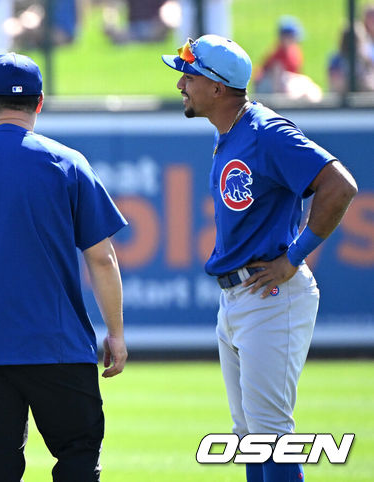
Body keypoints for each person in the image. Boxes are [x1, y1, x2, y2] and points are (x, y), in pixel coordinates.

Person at [161, 35, 358, 482]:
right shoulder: (233, 133)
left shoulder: (266, 132)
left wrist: (295, 256)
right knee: (250, 437)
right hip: (238, 297)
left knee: (271, 437)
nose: (180, 85)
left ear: (217, 87)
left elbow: (340, 186)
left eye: (188, 76)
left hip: (271, 295)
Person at [0, 52, 128, 481]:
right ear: (39, 102)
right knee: (78, 458)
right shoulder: (68, 163)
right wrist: (115, 332)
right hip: (56, 343)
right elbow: (102, 257)